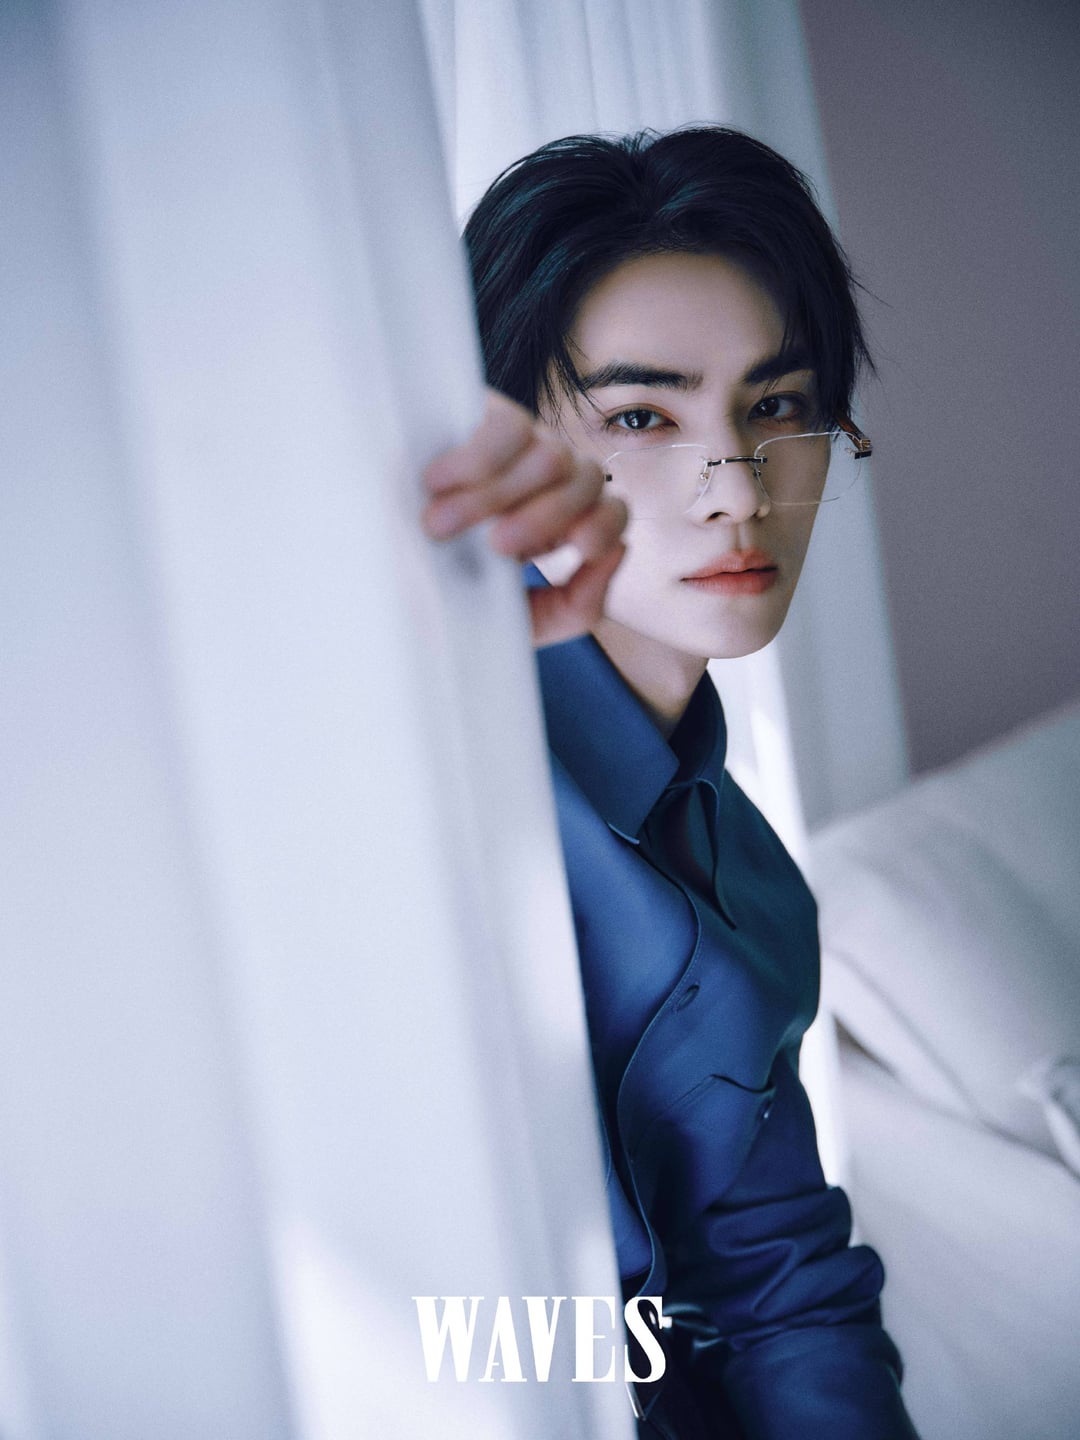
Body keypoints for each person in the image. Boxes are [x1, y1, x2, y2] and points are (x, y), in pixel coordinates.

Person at [421, 127, 919, 1439]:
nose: (736, 490)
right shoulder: (429, 773)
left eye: (777, 406)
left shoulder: (753, 881)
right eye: (643, 416)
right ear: (512, 444)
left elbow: (783, 1286)